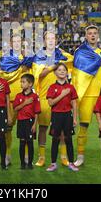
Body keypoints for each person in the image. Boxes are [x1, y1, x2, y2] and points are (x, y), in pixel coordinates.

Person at [32, 31, 73, 167]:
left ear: (56, 41)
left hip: (62, 100)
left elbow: (74, 60)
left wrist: (61, 55)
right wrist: (54, 65)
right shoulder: (39, 56)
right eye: (47, 38)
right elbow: (40, 75)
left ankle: (63, 157)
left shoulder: (62, 55)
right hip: (44, 98)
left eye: (53, 38)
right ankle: (42, 157)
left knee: (61, 131)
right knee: (43, 129)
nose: (50, 40)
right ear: (44, 41)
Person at [72, 25, 101, 167]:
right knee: (83, 126)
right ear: (86, 36)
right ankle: (80, 156)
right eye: (90, 34)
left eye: (95, 33)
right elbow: (76, 75)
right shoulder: (80, 52)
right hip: (87, 95)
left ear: (98, 36)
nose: (93, 36)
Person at [0, 34, 33, 166]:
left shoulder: (28, 57)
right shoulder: (6, 58)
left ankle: (25, 156)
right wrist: (20, 69)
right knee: (8, 127)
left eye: (20, 41)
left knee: (25, 128)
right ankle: (8, 154)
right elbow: (4, 76)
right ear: (11, 43)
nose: (17, 43)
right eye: (15, 41)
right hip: (11, 98)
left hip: (26, 99)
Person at [45, 63, 79, 172]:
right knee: (55, 139)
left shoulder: (71, 87)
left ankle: (72, 163)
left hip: (67, 116)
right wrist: (63, 94)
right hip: (56, 116)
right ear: (55, 73)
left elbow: (74, 104)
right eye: (59, 70)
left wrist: (74, 118)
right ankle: (53, 163)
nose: (62, 71)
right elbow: (50, 103)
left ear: (66, 72)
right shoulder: (52, 87)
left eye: (64, 70)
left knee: (69, 139)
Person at [13, 73, 40, 169]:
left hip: (30, 122)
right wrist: (24, 103)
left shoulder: (35, 97)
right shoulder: (18, 96)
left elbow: (37, 112)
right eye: (21, 82)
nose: (21, 84)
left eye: (23, 82)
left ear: (30, 84)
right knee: (22, 142)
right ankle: (22, 163)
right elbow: (15, 109)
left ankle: (29, 163)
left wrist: (34, 124)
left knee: (30, 142)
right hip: (21, 122)